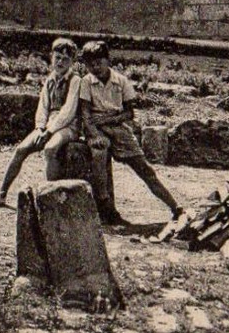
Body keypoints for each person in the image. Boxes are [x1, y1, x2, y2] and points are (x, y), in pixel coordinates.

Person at [63, 40, 186, 225]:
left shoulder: (120, 81)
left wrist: (109, 118)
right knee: (99, 152)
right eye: (90, 64)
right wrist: (94, 134)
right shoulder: (86, 82)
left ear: (107, 61)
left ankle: (175, 207)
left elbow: (129, 112)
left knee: (144, 168)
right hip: (96, 129)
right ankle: (106, 206)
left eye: (99, 62)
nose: (95, 68)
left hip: (118, 128)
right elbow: (86, 115)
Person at [0, 37, 81, 209]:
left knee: (50, 149)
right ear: (52, 57)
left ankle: (51, 200)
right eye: (57, 57)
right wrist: (40, 128)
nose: (60, 62)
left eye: (65, 59)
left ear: (72, 61)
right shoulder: (50, 79)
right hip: (48, 125)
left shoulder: (75, 80)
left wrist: (49, 131)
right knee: (21, 149)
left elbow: (69, 111)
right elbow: (42, 107)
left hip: (68, 126)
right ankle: (1, 193)